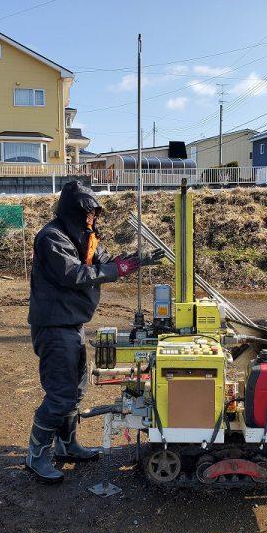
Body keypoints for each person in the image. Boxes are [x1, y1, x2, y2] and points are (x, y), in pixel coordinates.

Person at [25, 180, 161, 482]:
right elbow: (74, 274)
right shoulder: (52, 238)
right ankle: (35, 455)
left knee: (75, 389)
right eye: (89, 213)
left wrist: (132, 261)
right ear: (75, 210)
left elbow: (104, 263)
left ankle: (66, 445)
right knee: (60, 394)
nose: (93, 218)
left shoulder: (82, 236)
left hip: (71, 324)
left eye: (95, 214)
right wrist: (118, 270)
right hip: (53, 325)